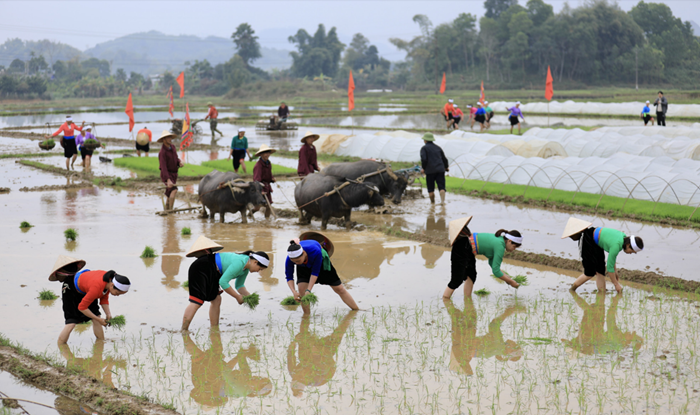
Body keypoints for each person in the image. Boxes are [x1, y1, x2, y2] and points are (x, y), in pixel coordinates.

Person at [181, 235, 269, 331]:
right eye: (260, 269)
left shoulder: (245, 269)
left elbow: (239, 286)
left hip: (214, 272)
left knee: (216, 299)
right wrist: (237, 297)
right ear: (255, 262)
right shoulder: (240, 262)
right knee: (197, 301)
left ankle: (214, 329)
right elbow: (223, 282)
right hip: (202, 267)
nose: (258, 271)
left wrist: (248, 296)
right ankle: (184, 330)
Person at [48, 255, 131, 345]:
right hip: (71, 289)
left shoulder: (109, 281)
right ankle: (61, 346)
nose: (117, 295)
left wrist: (108, 314)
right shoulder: (97, 287)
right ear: (112, 285)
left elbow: (103, 298)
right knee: (71, 322)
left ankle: (101, 344)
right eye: (117, 293)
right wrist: (99, 320)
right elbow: (82, 307)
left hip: (86, 290)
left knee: (96, 316)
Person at [443, 217, 522, 298]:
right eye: (514, 246)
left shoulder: (499, 241)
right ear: (509, 241)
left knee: (471, 275)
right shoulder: (500, 246)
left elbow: (492, 264)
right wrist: (511, 281)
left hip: (468, 249)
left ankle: (467, 299)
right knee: (457, 279)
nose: (513, 250)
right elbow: (496, 271)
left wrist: (507, 278)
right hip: (463, 247)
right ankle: (445, 298)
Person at [444, 298, 524, 376]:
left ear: (508, 351)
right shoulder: (498, 349)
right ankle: (449, 297)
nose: (515, 343)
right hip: (462, 342)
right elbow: (491, 352)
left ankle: (446, 298)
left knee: (458, 313)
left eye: (515, 346)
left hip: (464, 337)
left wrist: (507, 312)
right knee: (466, 312)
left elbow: (494, 325)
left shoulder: (498, 345)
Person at [563, 218, 643, 294]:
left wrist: (615, 272)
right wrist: (616, 284)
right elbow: (609, 268)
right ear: (628, 245)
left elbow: (612, 258)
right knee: (590, 272)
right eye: (632, 251)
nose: (630, 253)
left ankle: (602, 293)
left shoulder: (622, 237)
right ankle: (572, 289)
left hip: (597, 243)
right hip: (589, 239)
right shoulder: (617, 245)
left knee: (600, 270)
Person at [287, 311, 357, 397]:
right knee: (337, 335)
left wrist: (294, 342)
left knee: (303, 336)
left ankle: (306, 315)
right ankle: (348, 319)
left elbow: (290, 356)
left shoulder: (293, 373)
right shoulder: (317, 378)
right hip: (327, 363)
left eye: (296, 377)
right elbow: (322, 359)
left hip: (309, 360)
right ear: (305, 380)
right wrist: (313, 347)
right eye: (299, 377)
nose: (298, 375)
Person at [285, 233, 359, 314]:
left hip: (321, 263)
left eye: (298, 261)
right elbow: (289, 277)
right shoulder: (290, 259)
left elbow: (315, 272)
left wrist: (309, 290)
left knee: (339, 289)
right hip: (304, 266)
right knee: (302, 291)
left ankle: (356, 310)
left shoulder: (315, 251)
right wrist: (294, 292)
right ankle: (306, 316)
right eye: (294, 262)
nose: (296, 263)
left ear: (304, 253)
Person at [419, 132, 449, 204]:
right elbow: (444, 159)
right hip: (440, 170)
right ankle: (442, 202)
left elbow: (424, 159)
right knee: (441, 187)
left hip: (430, 171)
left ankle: (432, 204)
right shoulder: (438, 148)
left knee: (430, 189)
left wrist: (424, 168)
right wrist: (446, 167)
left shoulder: (424, 148)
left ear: (425, 140)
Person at [158, 130, 183, 211]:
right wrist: (168, 180)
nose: (170, 139)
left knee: (169, 194)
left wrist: (179, 163)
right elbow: (163, 167)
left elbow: (176, 158)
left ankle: (166, 210)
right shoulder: (162, 152)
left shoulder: (173, 147)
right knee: (174, 190)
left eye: (170, 137)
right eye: (168, 137)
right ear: (163, 139)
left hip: (174, 174)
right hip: (167, 174)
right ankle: (170, 210)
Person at [253, 144, 276, 218]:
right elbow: (256, 180)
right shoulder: (258, 166)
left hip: (267, 188)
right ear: (261, 154)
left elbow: (269, 175)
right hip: (260, 188)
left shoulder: (268, 163)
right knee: (257, 208)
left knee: (268, 206)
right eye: (265, 153)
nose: (267, 154)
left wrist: (272, 179)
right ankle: (250, 214)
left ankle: (267, 221)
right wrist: (260, 191)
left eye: (268, 152)